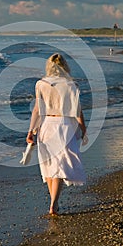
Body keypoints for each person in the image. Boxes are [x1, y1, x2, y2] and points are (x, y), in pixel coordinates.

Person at [26, 53, 87, 216]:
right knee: (60, 165)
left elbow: (37, 110)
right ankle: (54, 203)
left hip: (46, 126)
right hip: (65, 126)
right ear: (65, 66)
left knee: (49, 165)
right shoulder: (71, 84)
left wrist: (31, 130)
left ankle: (53, 202)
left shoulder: (41, 83)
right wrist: (83, 129)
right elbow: (77, 111)